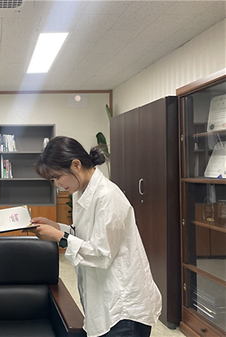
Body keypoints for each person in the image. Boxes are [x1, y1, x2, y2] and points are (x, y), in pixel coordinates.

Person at [29, 136, 161, 337]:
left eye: (57, 177)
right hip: (104, 298)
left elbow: (101, 254)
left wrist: (59, 237)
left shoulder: (107, 196)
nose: (56, 184)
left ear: (76, 164)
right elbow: (83, 234)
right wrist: (56, 227)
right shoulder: (80, 191)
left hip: (124, 307)